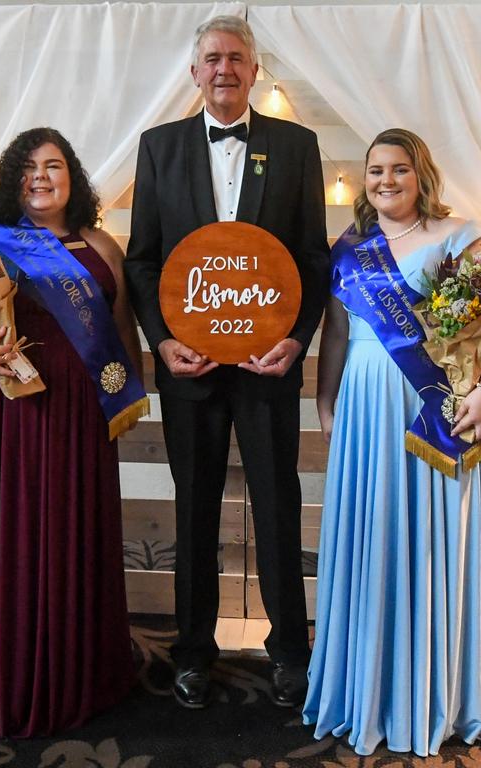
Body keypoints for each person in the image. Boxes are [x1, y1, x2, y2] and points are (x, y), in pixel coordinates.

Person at [123, 15, 330, 709]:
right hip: (191, 373)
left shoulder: (297, 147)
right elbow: (144, 258)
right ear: (194, 71)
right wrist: (161, 340)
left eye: (236, 58)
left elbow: (312, 260)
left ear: (254, 69)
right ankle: (191, 653)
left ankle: (290, 654)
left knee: (278, 509)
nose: (224, 69)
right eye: (212, 58)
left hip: (269, 369)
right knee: (195, 514)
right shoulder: (158, 148)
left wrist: (298, 339)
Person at [302, 128, 481, 755]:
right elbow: (336, 334)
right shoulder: (349, 248)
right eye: (374, 171)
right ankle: (365, 688)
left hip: (436, 409)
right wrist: (324, 397)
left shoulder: (460, 237)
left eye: (398, 169)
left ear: (421, 174)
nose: (385, 181)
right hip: (365, 404)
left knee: (431, 542)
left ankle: (433, 692)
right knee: (373, 534)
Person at [0, 127, 144, 738]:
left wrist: (125, 405)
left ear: (72, 177)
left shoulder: (103, 245)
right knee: (16, 529)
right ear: (10, 179)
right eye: (28, 168)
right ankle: (15, 676)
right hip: (10, 407)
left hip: (82, 412)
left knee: (75, 528)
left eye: (54, 166)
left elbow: (121, 331)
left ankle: (85, 674)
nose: (41, 177)